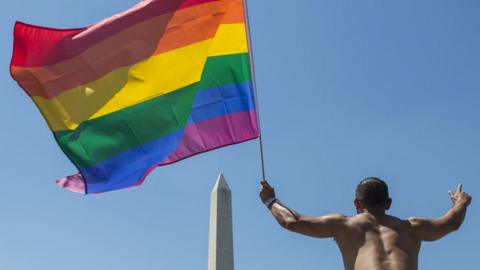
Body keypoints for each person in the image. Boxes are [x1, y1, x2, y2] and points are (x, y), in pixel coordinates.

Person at [259, 177, 472, 270]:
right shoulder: (412, 227)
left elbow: (292, 221)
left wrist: (270, 200)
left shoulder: (344, 225)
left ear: (357, 203)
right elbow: (452, 222)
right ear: (388, 203)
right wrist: (460, 203)